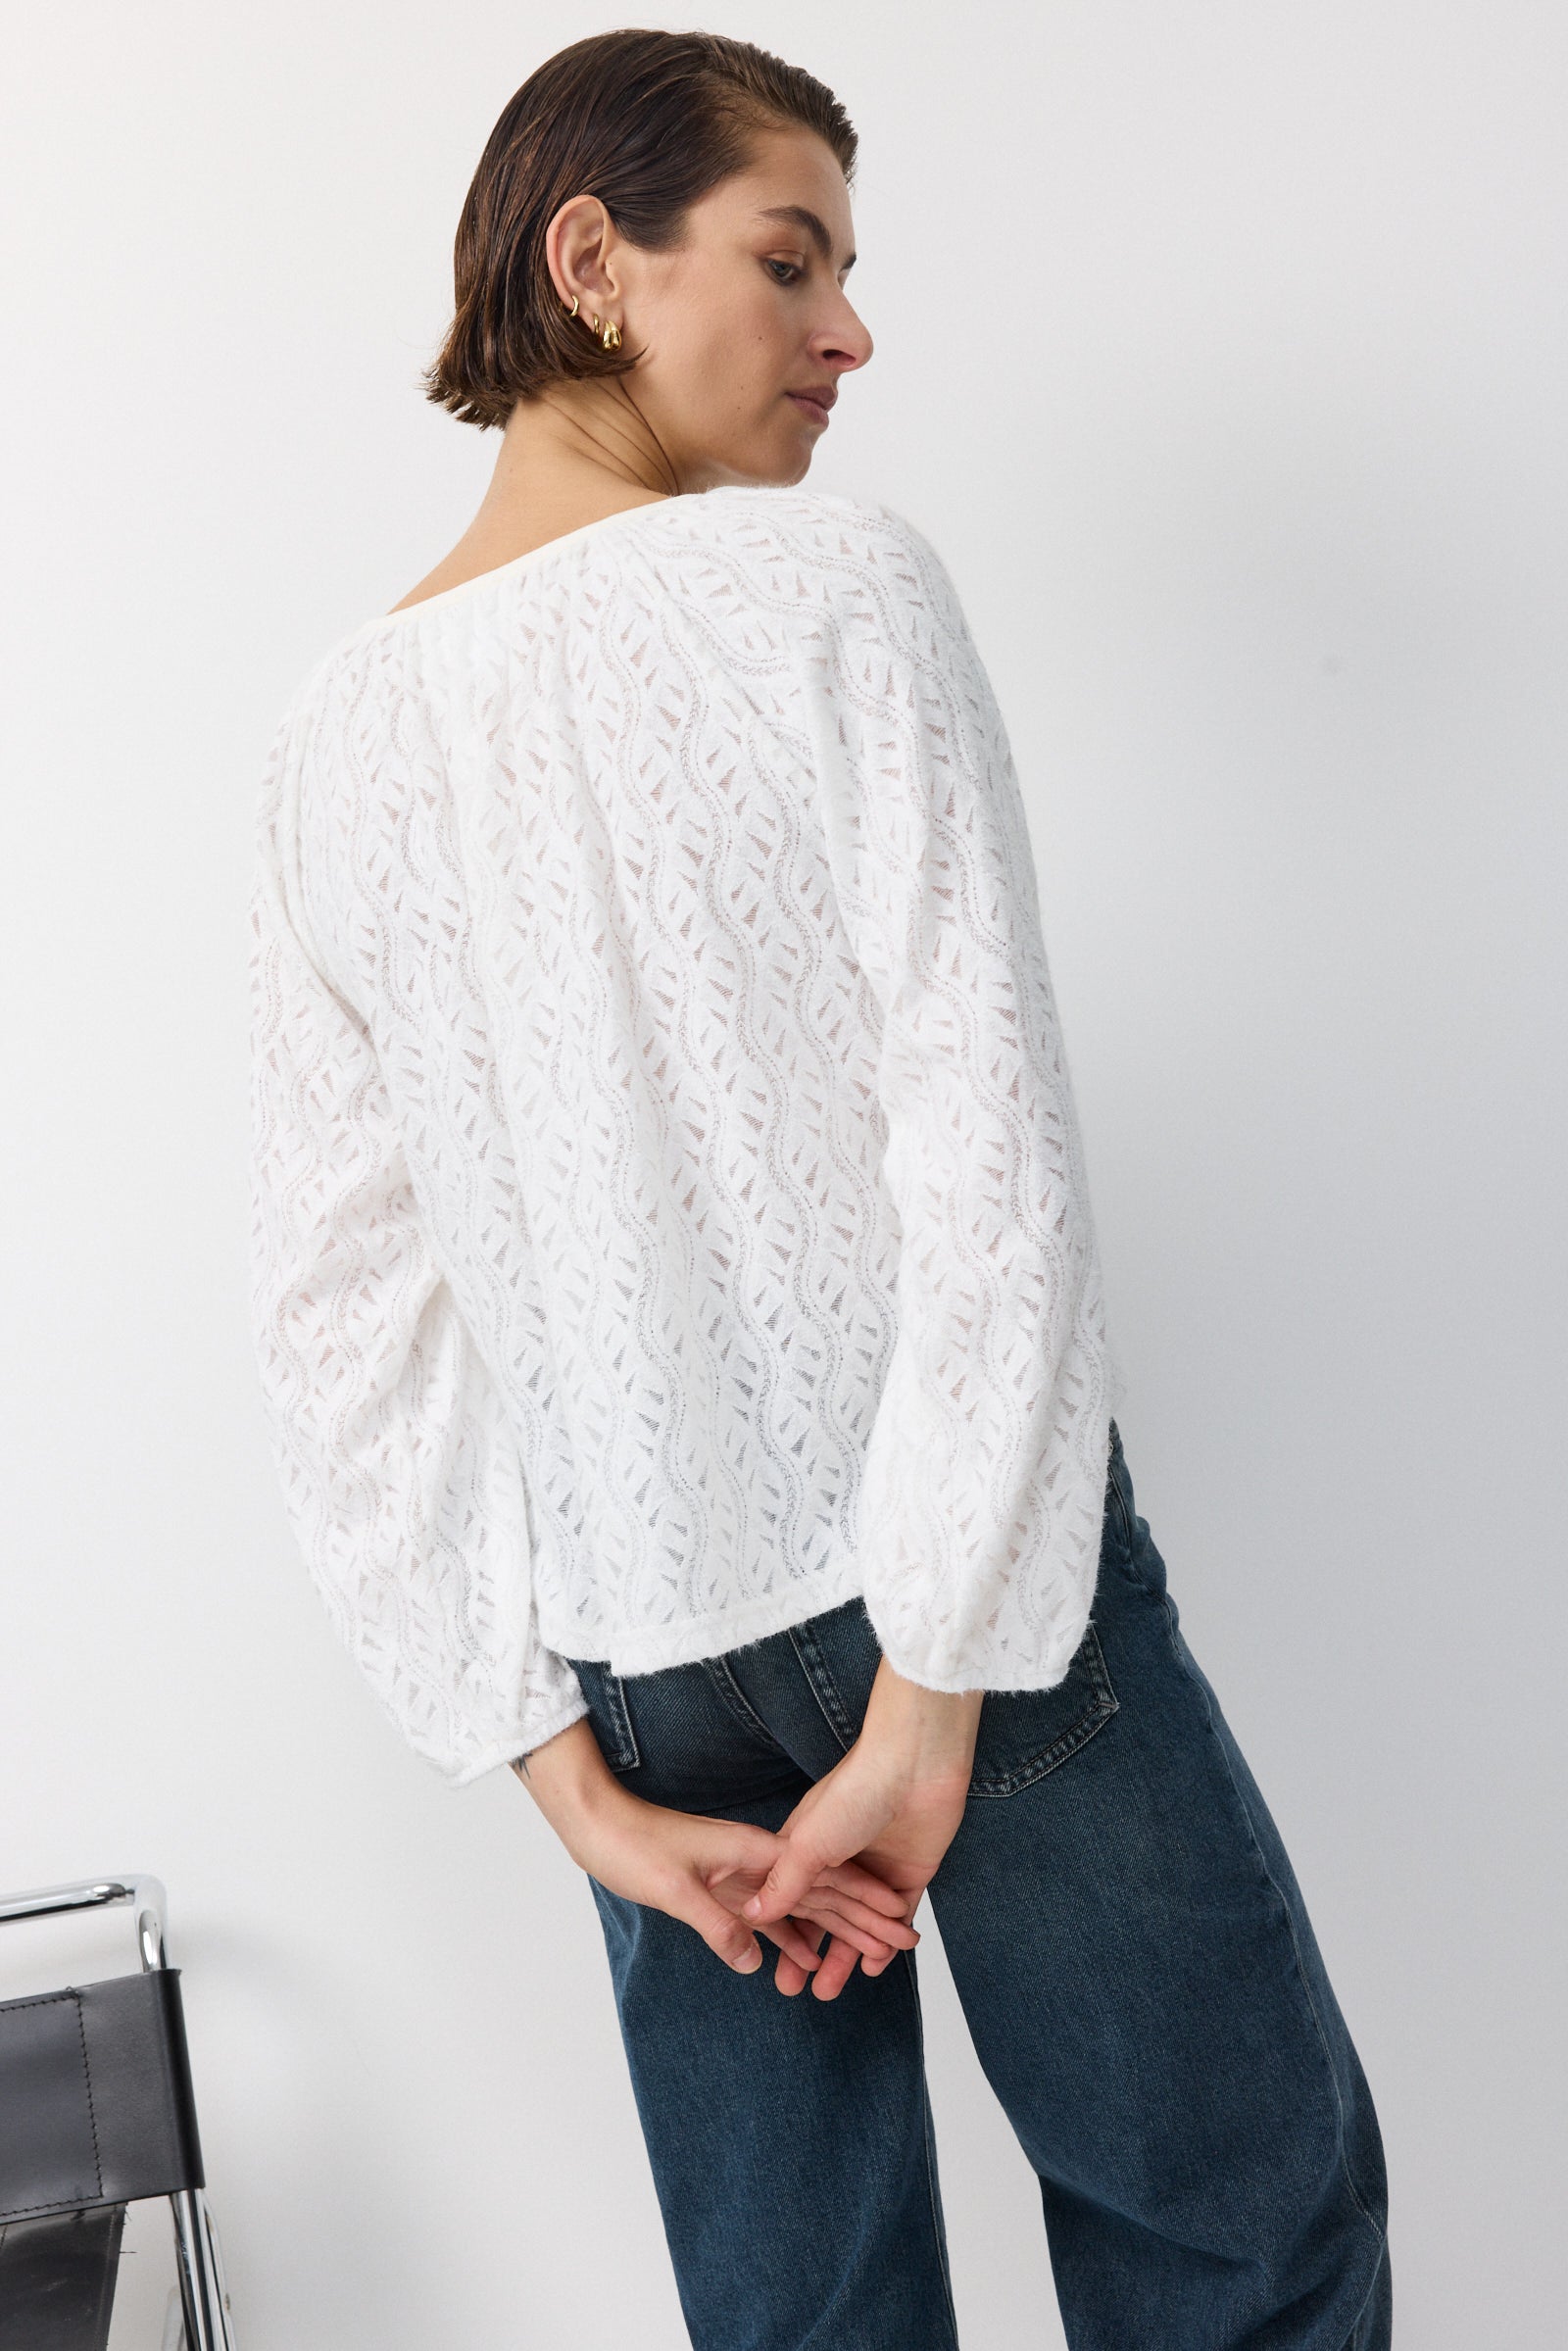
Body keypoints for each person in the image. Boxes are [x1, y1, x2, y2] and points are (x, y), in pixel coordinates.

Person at [247, 28, 1392, 2349]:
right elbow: (988, 1163)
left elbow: (340, 1317)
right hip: (965, 1596)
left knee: (801, 2320)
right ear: (592, 258)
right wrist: (933, 1687)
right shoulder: (832, 589)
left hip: (633, 1668)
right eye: (791, 261)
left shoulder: (327, 742)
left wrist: (562, 1779)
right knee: (1233, 2233)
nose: (848, 331)